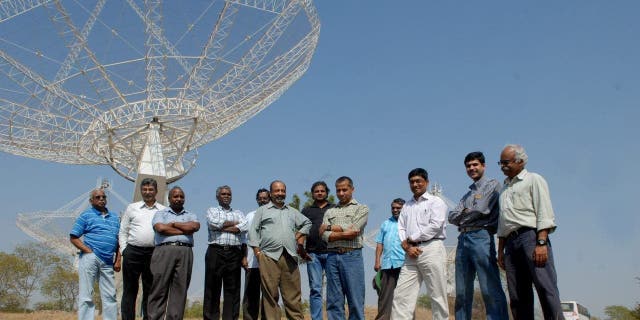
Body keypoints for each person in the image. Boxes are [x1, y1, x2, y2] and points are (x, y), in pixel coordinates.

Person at [496, 144, 563, 320]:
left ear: (520, 161)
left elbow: (544, 212)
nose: (502, 166)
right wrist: (500, 251)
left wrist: (541, 243)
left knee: (545, 287)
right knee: (517, 295)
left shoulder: (534, 180)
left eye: (506, 162)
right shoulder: (504, 190)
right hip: (511, 244)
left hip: (531, 238)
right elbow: (503, 224)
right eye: (500, 163)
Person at [448, 152, 509, 320]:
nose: (471, 168)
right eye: (468, 166)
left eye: (475, 164)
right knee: (461, 291)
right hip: (463, 239)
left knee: (489, 287)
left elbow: (483, 209)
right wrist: (466, 213)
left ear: (483, 166)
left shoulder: (493, 185)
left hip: (481, 236)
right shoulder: (467, 194)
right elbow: (451, 216)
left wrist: (464, 214)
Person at [247, 180, 312, 320]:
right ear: (271, 193)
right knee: (270, 297)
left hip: (290, 257)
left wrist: (299, 234)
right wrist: (257, 253)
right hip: (269, 257)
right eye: (277, 191)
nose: (280, 193)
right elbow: (253, 232)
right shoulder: (262, 211)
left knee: (293, 297)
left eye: (283, 190)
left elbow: (307, 223)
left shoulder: (292, 211)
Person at [391, 168, 449, 320]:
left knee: (437, 295)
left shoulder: (436, 202)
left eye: (418, 181)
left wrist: (411, 239)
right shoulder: (406, 206)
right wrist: (407, 246)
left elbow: (435, 225)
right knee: (401, 296)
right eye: (412, 182)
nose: (415, 184)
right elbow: (401, 227)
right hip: (410, 254)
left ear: (427, 182)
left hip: (431, 249)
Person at [147, 186, 200, 320]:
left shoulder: (190, 214)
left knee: (180, 289)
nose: (179, 199)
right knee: (159, 287)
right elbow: (160, 228)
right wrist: (184, 229)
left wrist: (173, 224)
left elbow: (194, 227)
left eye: (181, 196)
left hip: (185, 251)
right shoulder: (161, 213)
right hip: (164, 250)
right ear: (169, 198)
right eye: (175, 196)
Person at [320, 176, 369, 320]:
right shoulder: (330, 211)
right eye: (338, 190)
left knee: (355, 300)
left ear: (352, 189)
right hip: (332, 257)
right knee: (334, 301)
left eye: (344, 190)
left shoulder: (362, 208)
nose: (341, 193)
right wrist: (344, 233)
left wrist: (330, 228)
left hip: (352, 257)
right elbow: (323, 236)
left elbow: (354, 231)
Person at [69, 188, 121, 320]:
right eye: (98, 197)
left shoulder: (115, 217)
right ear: (91, 201)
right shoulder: (86, 215)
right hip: (90, 258)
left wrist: (118, 259)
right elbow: (74, 237)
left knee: (110, 295)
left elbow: (119, 240)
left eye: (103, 197)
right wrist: (88, 251)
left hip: (108, 260)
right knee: (86, 294)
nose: (101, 199)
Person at [119, 178, 165, 320]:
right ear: (141, 190)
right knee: (129, 290)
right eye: (144, 189)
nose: (147, 192)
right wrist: (124, 250)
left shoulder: (163, 210)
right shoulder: (132, 208)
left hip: (153, 253)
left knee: (150, 291)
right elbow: (123, 231)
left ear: (156, 191)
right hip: (133, 252)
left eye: (150, 189)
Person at [203, 185, 247, 320]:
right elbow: (213, 223)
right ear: (217, 197)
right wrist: (235, 225)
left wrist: (223, 227)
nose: (226, 196)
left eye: (228, 194)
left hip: (234, 253)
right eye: (223, 194)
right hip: (216, 251)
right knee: (212, 288)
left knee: (232, 290)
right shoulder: (211, 210)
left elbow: (244, 226)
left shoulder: (239, 213)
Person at [301, 181, 335, 320]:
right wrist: (301, 249)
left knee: (334, 289)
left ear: (327, 192)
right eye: (317, 191)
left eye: (322, 191)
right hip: (313, 254)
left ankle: (334, 317)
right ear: (312, 194)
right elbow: (301, 231)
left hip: (332, 252)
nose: (320, 193)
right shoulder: (306, 211)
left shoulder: (334, 208)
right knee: (315, 289)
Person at [373, 198, 405, 320]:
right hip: (387, 265)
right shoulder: (385, 223)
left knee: (404, 297)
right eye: (393, 208)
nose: (395, 210)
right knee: (384, 297)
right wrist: (377, 261)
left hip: (404, 264)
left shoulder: (408, 223)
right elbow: (379, 243)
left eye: (398, 208)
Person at [242, 188, 271, 320]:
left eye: (265, 198)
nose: (263, 200)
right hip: (252, 263)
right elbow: (244, 239)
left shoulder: (274, 214)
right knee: (250, 296)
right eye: (260, 198)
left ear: (269, 199)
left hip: (270, 263)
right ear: (257, 199)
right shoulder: (250, 216)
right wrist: (243, 257)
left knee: (268, 296)